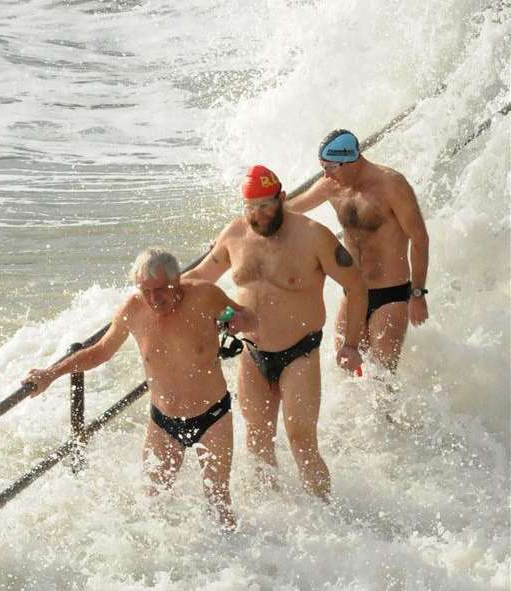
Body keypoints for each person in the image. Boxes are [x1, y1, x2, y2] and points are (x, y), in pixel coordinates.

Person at [22, 248, 257, 530]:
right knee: (153, 502)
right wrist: (51, 373)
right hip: (163, 422)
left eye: (160, 289)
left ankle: (234, 563)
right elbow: (100, 352)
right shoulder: (133, 309)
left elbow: (246, 317)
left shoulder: (206, 295)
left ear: (177, 281)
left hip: (213, 416)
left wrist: (238, 321)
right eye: (146, 290)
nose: (153, 299)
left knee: (218, 498)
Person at [184, 166, 367, 500]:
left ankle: (325, 512)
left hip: (300, 352)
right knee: (257, 440)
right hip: (252, 353)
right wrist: (155, 294)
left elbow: (356, 286)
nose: (259, 215)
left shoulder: (314, 235)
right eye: (251, 208)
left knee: (300, 439)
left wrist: (351, 344)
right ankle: (274, 513)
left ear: (282, 198)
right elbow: (199, 276)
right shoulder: (235, 234)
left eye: (266, 205)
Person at [288, 129, 429, 372]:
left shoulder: (391, 185)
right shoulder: (331, 186)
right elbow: (289, 210)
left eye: (330, 167)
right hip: (353, 291)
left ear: (350, 161)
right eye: (323, 166)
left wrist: (417, 293)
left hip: (390, 294)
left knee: (382, 375)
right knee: (345, 369)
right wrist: (238, 229)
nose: (325, 174)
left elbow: (419, 239)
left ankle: (390, 412)